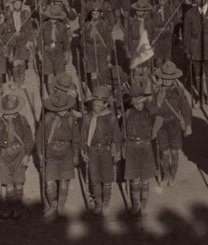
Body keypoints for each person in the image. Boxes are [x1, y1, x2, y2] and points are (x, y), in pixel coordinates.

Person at [0, 93, 34, 220]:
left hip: (19, 153)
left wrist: (27, 155)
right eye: (7, 113)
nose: (10, 116)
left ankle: (18, 208)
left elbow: (29, 139)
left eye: (13, 112)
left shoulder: (23, 121)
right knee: (8, 183)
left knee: (18, 181)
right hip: (4, 154)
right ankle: (10, 208)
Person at [36, 91, 80, 218]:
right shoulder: (47, 120)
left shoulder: (72, 120)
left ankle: (61, 205)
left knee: (64, 181)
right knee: (50, 182)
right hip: (50, 152)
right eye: (59, 109)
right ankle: (53, 205)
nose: (63, 112)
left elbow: (76, 139)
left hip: (67, 152)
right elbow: (39, 138)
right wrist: (40, 153)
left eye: (65, 109)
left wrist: (76, 155)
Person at [80, 85, 122, 216]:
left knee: (107, 177)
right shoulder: (87, 118)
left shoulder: (111, 118)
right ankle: (98, 203)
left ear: (105, 104)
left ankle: (106, 202)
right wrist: (83, 151)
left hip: (106, 150)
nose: (95, 107)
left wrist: (118, 151)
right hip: (92, 151)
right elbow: (83, 136)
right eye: (94, 104)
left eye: (98, 105)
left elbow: (117, 136)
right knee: (95, 178)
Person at [122, 83, 161, 216]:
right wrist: (123, 147)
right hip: (132, 147)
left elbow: (156, 111)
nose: (138, 104)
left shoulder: (148, 113)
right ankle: (136, 203)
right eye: (135, 101)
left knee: (145, 178)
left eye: (140, 101)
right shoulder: (128, 113)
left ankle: (144, 202)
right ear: (131, 102)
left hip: (145, 146)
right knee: (134, 179)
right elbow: (123, 132)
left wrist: (147, 102)